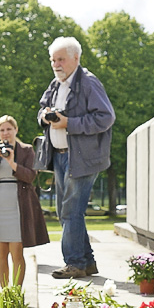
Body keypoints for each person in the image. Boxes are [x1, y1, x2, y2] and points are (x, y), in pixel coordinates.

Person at [37, 36, 115, 279]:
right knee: (67, 211)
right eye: (52, 60)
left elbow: (105, 118)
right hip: (59, 156)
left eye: (60, 59)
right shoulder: (55, 84)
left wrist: (69, 123)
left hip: (82, 157)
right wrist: (45, 115)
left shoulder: (89, 83)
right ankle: (86, 262)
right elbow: (41, 108)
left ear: (76, 58)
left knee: (70, 211)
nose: (56, 64)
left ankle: (74, 263)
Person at [0, 115, 50, 287]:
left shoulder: (26, 150)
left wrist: (12, 163)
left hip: (19, 206)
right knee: (0, 252)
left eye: (9, 129)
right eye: (2, 130)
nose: (6, 133)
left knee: (17, 252)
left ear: (16, 130)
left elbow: (31, 176)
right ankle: (5, 293)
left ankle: (16, 292)